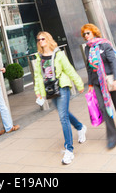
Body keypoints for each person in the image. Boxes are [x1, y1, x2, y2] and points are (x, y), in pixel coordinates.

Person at [33, 31, 86, 165]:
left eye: (43, 38)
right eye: (38, 39)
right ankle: (80, 127)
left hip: (62, 87)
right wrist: (38, 91)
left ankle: (69, 150)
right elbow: (38, 76)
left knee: (63, 117)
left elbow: (69, 69)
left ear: (48, 39)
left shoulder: (58, 54)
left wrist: (79, 83)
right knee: (64, 113)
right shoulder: (39, 57)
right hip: (50, 89)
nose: (40, 41)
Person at [82, 23, 116, 149]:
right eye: (84, 34)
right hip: (97, 82)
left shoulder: (104, 44)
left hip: (109, 79)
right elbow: (89, 67)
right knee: (104, 109)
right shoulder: (87, 48)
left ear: (94, 32)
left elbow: (113, 62)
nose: (86, 36)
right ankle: (112, 137)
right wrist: (90, 84)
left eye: (88, 33)